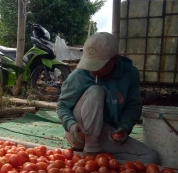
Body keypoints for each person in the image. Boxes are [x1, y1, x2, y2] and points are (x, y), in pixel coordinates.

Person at [56, 32, 160, 164]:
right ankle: (91, 151)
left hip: (106, 133)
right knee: (95, 90)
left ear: (115, 60)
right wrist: (70, 124)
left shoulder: (130, 73)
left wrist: (125, 126)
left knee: (151, 158)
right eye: (90, 65)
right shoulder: (79, 75)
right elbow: (62, 105)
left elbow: (133, 106)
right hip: (79, 131)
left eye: (98, 66)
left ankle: (104, 159)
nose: (93, 71)